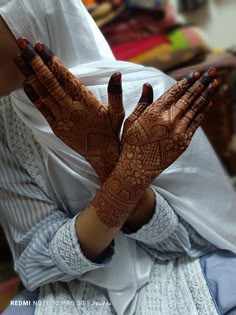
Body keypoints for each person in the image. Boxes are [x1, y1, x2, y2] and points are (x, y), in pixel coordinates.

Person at [0, 1, 236, 314]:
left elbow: (191, 240)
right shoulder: (5, 125)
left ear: (28, 22)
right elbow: (36, 262)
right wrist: (123, 173)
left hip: (181, 263)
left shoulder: (151, 95)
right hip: (69, 285)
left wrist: (112, 163)